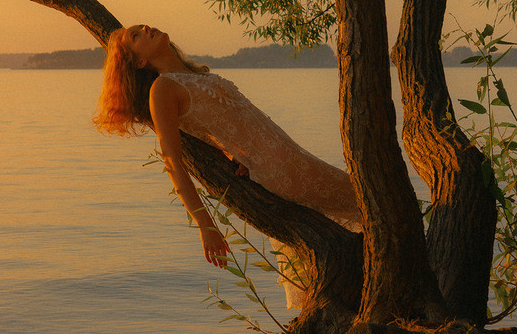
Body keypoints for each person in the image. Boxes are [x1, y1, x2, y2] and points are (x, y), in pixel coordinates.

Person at [94, 25, 362, 302]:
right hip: (278, 169)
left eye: (141, 26)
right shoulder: (162, 89)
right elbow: (172, 161)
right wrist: (206, 225)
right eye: (135, 36)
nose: (145, 28)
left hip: (292, 157)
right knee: (366, 204)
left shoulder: (196, 74)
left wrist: (232, 155)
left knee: (365, 207)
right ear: (140, 62)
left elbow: (221, 125)